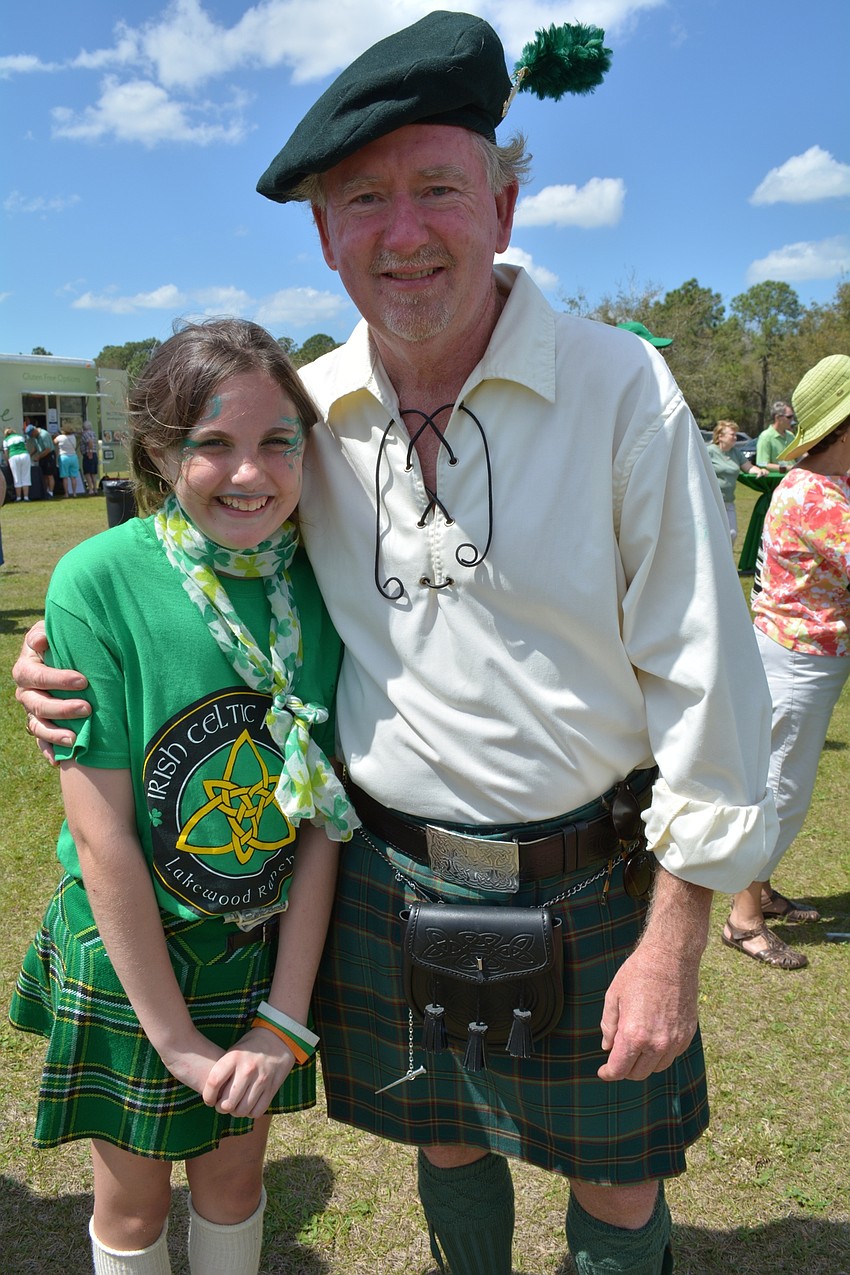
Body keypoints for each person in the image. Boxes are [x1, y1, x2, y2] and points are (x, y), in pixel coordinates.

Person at [13, 14, 777, 1275]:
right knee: (450, 1148)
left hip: (598, 878)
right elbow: (198, 547)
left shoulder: (620, 391)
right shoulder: (308, 414)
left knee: (622, 1182)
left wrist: (675, 938)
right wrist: (58, 640)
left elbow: (708, 676)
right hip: (393, 878)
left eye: (437, 187)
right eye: (362, 198)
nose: (404, 230)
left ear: (504, 199)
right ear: (322, 234)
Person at [9, 318, 358, 1275]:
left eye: (277, 441)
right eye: (213, 443)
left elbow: (323, 818)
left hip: (250, 947)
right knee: (130, 1206)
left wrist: (282, 1018)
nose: (250, 472)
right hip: (137, 953)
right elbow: (101, 832)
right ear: (159, 451)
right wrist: (173, 1039)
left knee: (235, 1186)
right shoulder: (101, 579)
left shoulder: (324, 583)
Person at [722, 355, 850, 970]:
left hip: (796, 655)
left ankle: (761, 891)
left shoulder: (813, 483)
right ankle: (744, 917)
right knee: (780, 788)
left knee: (783, 782)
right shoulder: (821, 499)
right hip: (799, 660)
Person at [706, 420, 766, 543]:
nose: (735, 437)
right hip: (712, 501)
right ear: (720, 436)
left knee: (732, 533)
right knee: (711, 534)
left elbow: (748, 467)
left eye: (735, 435)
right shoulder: (709, 451)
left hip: (728, 501)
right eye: (732, 434)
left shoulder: (735, 453)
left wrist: (759, 470)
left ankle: (725, 559)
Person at [755, 401, 795, 472]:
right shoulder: (765, 437)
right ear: (777, 418)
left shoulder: (791, 436)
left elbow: (800, 457)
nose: (792, 420)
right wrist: (787, 468)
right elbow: (762, 463)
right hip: (777, 481)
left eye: (792, 416)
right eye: (789, 417)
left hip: (795, 478)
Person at [27, 421, 58, 496]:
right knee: (44, 474)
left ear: (34, 431)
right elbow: (36, 447)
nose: (32, 437)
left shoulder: (44, 435)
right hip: (42, 455)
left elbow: (47, 449)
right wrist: (30, 454)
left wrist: (38, 457)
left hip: (49, 455)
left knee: (49, 474)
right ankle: (46, 491)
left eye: (32, 435)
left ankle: (51, 492)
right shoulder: (35, 437)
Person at [3, 425, 32, 500]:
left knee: (17, 477)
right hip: (25, 455)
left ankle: (18, 497)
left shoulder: (6, 440)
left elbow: (6, 453)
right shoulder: (21, 436)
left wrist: (7, 462)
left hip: (14, 456)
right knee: (26, 476)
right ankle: (26, 497)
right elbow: (26, 448)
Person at [54, 424, 81, 496]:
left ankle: (66, 493)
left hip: (64, 457)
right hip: (74, 457)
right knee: (73, 477)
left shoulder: (60, 437)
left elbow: (54, 442)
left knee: (65, 477)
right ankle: (74, 493)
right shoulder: (73, 437)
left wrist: (56, 435)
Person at [80, 419, 100, 494]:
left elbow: (90, 442)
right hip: (94, 454)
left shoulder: (85, 434)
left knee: (87, 473)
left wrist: (89, 452)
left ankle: (91, 489)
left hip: (88, 455)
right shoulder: (93, 433)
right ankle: (95, 489)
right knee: (93, 473)